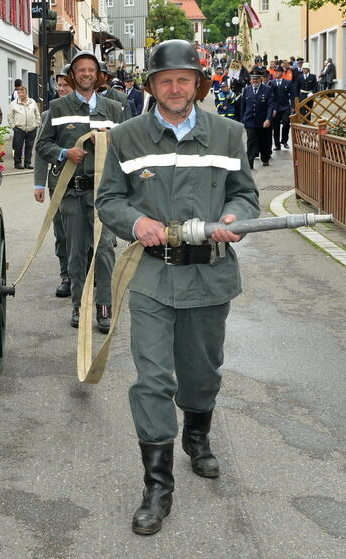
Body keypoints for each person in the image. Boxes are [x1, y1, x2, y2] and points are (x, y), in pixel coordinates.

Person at [96, 39, 260, 536]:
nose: (174, 88)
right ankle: (157, 485)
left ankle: (197, 436)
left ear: (198, 84)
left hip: (209, 275)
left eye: (183, 79)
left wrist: (234, 218)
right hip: (152, 276)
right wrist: (136, 221)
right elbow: (109, 199)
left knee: (201, 371)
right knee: (152, 379)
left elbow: (245, 195)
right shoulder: (126, 137)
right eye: (165, 80)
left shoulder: (228, 134)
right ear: (151, 85)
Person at [35, 50, 124, 332]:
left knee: (105, 250)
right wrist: (65, 153)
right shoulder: (58, 107)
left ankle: (104, 305)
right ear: (73, 76)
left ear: (98, 76)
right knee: (76, 252)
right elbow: (42, 145)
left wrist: (110, 142)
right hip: (72, 193)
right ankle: (79, 305)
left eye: (91, 70)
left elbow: (129, 147)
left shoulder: (114, 109)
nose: (86, 74)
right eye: (81, 69)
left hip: (103, 194)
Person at [34, 65, 74, 299]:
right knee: (61, 230)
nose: (61, 89)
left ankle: (90, 271)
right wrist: (39, 183)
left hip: (88, 181)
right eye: (58, 85)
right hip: (59, 180)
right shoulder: (48, 115)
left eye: (65, 85)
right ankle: (66, 275)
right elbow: (40, 151)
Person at [239, 69, 274, 169]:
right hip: (249, 120)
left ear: (260, 79)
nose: (255, 81)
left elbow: (270, 106)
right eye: (253, 79)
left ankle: (265, 158)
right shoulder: (246, 90)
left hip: (262, 121)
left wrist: (268, 119)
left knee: (263, 141)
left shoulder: (267, 89)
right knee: (251, 141)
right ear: (250, 80)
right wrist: (242, 120)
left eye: (257, 78)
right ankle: (249, 163)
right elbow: (243, 106)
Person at [7, 85, 40, 169]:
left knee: (29, 147)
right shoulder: (13, 104)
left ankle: (27, 163)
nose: (21, 94)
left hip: (32, 128)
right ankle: (17, 163)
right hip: (19, 129)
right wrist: (13, 127)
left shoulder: (32, 102)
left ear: (26, 93)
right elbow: (10, 117)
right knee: (18, 147)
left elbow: (37, 113)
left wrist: (37, 124)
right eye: (19, 93)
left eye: (22, 92)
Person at [269, 71, 296, 151]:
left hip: (285, 107)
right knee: (276, 126)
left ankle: (284, 141)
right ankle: (277, 144)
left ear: (282, 73)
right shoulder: (271, 83)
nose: (276, 73)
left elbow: (292, 95)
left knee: (286, 123)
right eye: (275, 72)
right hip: (275, 108)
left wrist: (293, 106)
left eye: (278, 72)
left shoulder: (288, 82)